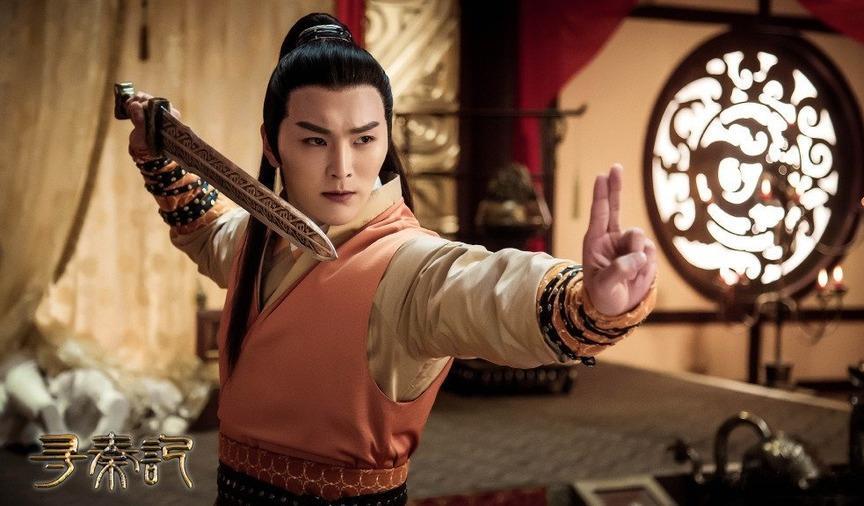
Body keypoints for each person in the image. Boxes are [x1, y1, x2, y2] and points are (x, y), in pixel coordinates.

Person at [125, 12, 657, 505]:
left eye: (363, 139)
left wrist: (588, 299)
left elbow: (487, 289)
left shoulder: (409, 266)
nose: (342, 167)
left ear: (385, 139)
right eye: (314, 141)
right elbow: (209, 230)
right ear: (272, 144)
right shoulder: (259, 239)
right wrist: (158, 156)